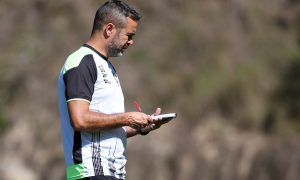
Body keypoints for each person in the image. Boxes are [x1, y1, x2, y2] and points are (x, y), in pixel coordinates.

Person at [57, 1, 171, 179]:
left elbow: (109, 127)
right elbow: (79, 120)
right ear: (109, 29)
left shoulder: (108, 67)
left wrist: (141, 127)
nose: (132, 42)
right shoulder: (82, 62)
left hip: (111, 173)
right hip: (90, 172)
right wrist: (127, 117)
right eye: (129, 35)